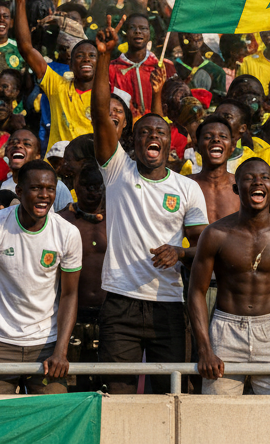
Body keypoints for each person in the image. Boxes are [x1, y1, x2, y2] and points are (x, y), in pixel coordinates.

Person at [91, 30, 208, 395]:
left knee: (167, 398)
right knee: (119, 396)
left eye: (159, 132)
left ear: (172, 144)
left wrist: (182, 253)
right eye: (144, 133)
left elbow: (205, 248)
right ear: (132, 141)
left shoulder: (187, 188)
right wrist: (104, 59)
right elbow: (99, 115)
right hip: (120, 303)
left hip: (169, 304)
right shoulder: (117, 170)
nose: (152, 137)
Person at [189, 157, 270, 395]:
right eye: (249, 178)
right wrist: (204, 349)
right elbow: (196, 291)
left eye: (265, 178)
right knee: (218, 416)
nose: (258, 182)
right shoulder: (215, 234)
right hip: (225, 331)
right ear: (236, 189)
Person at [0, 159, 81, 395]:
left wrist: (61, 352)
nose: (43, 195)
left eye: (49, 189)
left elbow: (69, 294)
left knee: (53, 418)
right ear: (19, 190)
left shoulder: (68, 233)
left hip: (47, 344)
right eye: (36, 188)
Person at [12, 0, 95, 149]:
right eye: (79, 55)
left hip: (91, 170)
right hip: (57, 166)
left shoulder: (105, 94)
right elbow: (26, 48)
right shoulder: (57, 85)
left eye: (92, 56)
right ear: (70, 64)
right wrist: (20, 1)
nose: (86, 59)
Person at [57, 161, 107, 391]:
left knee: (105, 384)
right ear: (75, 185)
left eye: (98, 186)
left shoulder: (118, 219)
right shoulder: (61, 221)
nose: (92, 191)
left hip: (109, 315)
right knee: (71, 383)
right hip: (71, 315)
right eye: (86, 185)